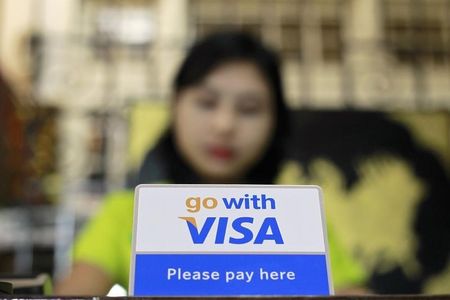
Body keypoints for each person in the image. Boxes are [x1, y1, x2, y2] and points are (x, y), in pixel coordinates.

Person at [55, 31, 365, 295]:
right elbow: (76, 292)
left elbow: (352, 292)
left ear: (275, 122)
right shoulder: (125, 212)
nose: (225, 125)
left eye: (249, 108)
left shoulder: (299, 219)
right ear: (175, 106)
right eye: (206, 102)